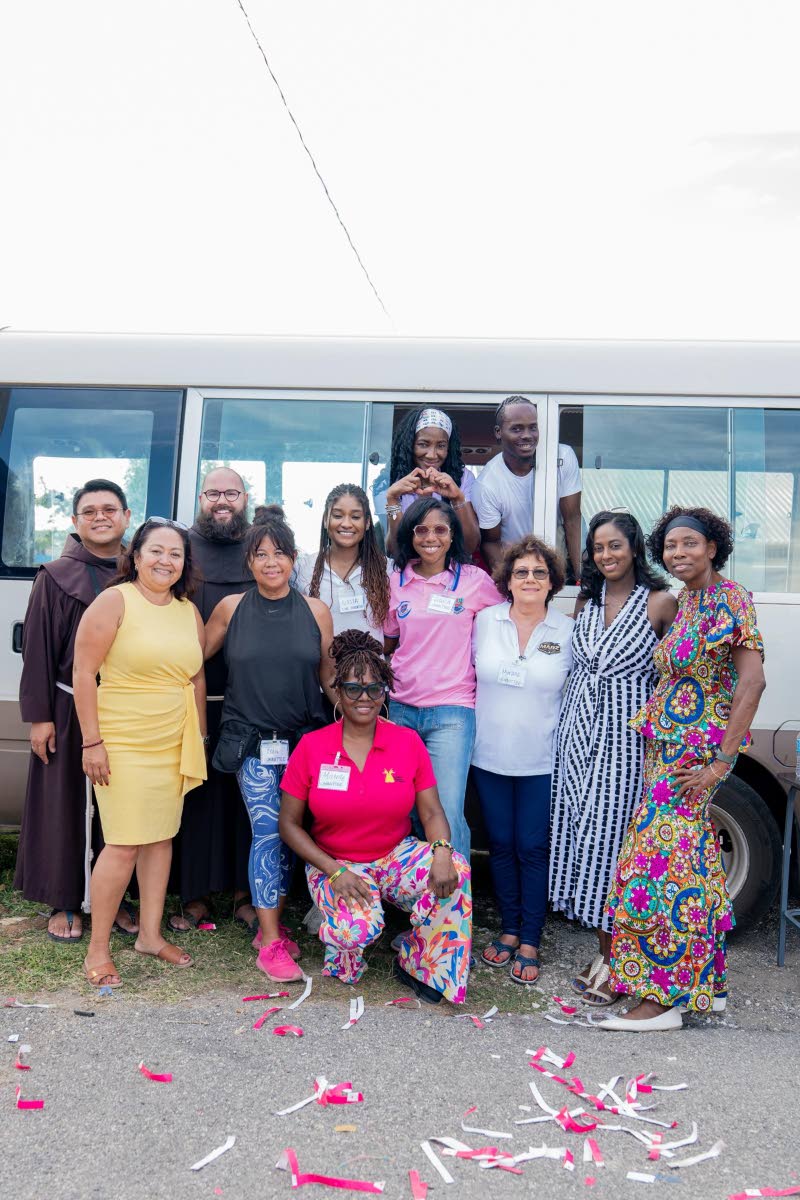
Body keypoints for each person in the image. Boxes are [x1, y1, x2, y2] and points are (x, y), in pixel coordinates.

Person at [598, 506, 766, 1032]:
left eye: (690, 543)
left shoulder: (730, 599)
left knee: (655, 870)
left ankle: (661, 997)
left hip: (693, 761)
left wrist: (720, 763)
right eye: (671, 546)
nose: (679, 553)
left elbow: (752, 682)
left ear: (713, 547)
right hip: (665, 754)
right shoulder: (687, 601)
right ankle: (707, 986)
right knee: (694, 868)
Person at [279, 630, 472, 1005]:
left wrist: (444, 852)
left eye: (374, 689)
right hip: (335, 862)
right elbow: (288, 824)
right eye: (353, 689)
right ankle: (347, 938)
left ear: (386, 691)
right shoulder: (312, 746)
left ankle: (421, 962)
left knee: (457, 870)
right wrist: (334, 871)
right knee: (354, 935)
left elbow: (431, 810)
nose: (364, 698)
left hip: (392, 855)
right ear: (337, 692)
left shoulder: (406, 742)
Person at [549, 511, 677, 1005]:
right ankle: (605, 951)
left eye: (615, 546)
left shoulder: (660, 602)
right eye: (598, 547)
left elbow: (679, 670)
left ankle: (622, 958)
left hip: (625, 743)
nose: (606, 555)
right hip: (576, 735)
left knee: (614, 850)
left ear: (634, 548)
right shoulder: (588, 598)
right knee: (580, 839)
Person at [73, 518, 208, 988]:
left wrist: (200, 738)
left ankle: (149, 935)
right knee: (125, 842)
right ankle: (98, 947)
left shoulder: (187, 610)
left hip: (174, 739)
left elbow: (195, 677)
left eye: (176, 553)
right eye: (157, 551)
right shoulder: (115, 601)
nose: (166, 560)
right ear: (135, 555)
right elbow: (84, 673)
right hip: (123, 739)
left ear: (185, 563)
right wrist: (92, 741)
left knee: (160, 837)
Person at [204, 505, 334, 983]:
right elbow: (190, 658)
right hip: (250, 744)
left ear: (294, 559)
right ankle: (272, 941)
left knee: (294, 836)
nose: (271, 562)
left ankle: (270, 927)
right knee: (268, 831)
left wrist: (360, 713)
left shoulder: (315, 610)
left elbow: (327, 675)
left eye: (280, 553)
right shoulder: (230, 609)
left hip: (306, 745)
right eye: (262, 554)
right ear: (250, 561)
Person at [14, 479, 139, 944]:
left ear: (127, 517)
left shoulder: (143, 570)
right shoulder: (55, 575)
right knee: (67, 804)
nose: (100, 517)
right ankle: (66, 898)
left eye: (110, 509)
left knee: (120, 807)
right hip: (67, 708)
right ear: (74, 522)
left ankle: (114, 897)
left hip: (127, 708)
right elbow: (38, 650)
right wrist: (40, 716)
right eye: (89, 511)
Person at [472, 536, 573, 984]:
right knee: (500, 845)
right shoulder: (484, 621)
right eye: (521, 572)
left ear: (551, 583)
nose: (529, 579)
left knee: (532, 848)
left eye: (538, 572)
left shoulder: (568, 631)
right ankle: (509, 930)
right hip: (488, 755)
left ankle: (531, 937)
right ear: (507, 581)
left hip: (541, 760)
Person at [383, 497, 503, 863]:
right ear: (410, 535)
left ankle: (452, 914)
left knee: (447, 811)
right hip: (401, 710)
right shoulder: (395, 582)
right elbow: (390, 641)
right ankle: (416, 906)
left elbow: (503, 624)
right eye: (421, 529)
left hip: (452, 712)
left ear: (453, 536)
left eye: (440, 529)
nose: (430, 537)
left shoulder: (474, 581)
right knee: (404, 810)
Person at [169, 467, 256, 934]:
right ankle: (196, 894)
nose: (222, 501)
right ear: (200, 498)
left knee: (247, 797)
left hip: (250, 698)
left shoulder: (259, 549)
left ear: (246, 499)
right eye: (213, 493)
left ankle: (245, 893)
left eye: (232, 493)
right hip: (191, 693)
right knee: (197, 795)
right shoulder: (182, 551)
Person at [472, 395, 582, 580]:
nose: (527, 435)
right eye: (516, 429)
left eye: (533, 427)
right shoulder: (486, 484)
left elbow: (572, 519)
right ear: (499, 432)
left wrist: (580, 578)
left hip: (564, 564)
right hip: (520, 570)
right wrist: (512, 584)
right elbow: (491, 542)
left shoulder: (562, 457)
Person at [375, 407, 480, 557]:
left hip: (452, 571)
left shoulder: (462, 478)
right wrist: (392, 500)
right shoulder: (389, 482)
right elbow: (394, 549)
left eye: (441, 446)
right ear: (409, 444)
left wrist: (457, 498)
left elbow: (470, 546)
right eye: (423, 444)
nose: (432, 455)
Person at [294, 483, 390, 639]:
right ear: (326, 520)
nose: (346, 523)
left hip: (371, 663)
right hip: (322, 663)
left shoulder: (386, 569)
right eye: (338, 515)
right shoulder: (302, 569)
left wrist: (393, 504)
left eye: (355, 517)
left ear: (366, 523)